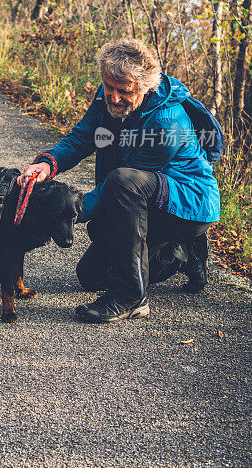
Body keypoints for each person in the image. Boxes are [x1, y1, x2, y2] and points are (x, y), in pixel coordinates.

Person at [17, 38, 220, 324]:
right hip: (144, 197)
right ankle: (183, 252)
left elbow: (122, 186)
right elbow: (83, 136)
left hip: (188, 202)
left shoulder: (166, 123)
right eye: (109, 87)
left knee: (123, 182)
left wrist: (63, 210)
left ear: (145, 87)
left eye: (123, 91)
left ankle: (130, 297)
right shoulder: (107, 93)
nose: (113, 97)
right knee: (91, 275)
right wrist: (47, 164)